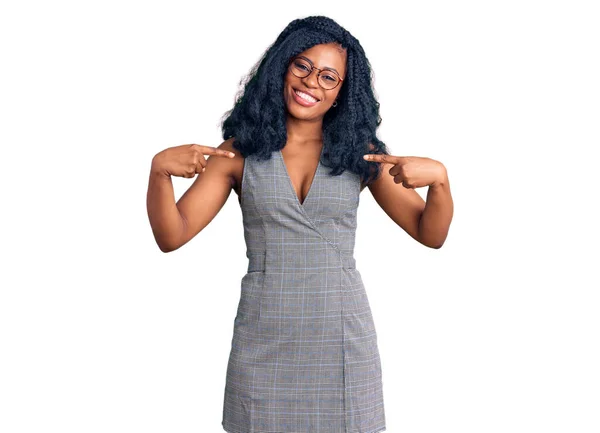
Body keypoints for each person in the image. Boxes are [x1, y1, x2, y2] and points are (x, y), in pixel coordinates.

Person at [147, 15, 453, 433]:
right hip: (264, 334)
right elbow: (172, 235)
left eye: (329, 77)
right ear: (282, 67)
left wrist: (440, 181)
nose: (312, 83)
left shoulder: (358, 155)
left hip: (341, 336)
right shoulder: (239, 153)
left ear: (343, 92)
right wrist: (159, 173)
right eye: (303, 66)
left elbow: (429, 234)